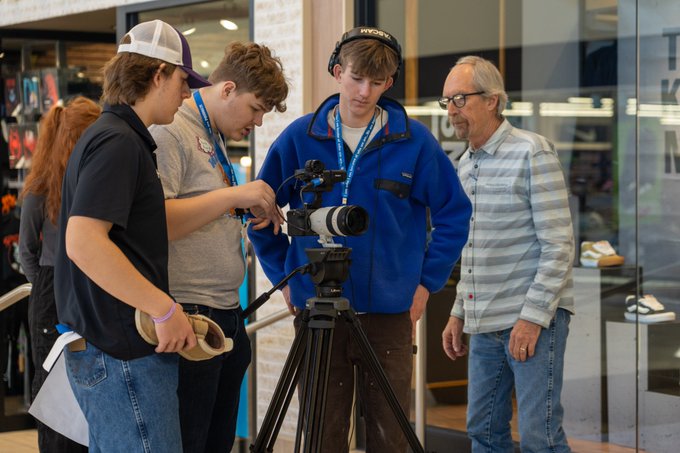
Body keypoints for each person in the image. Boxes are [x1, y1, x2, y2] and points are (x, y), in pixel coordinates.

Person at [248, 27, 472, 452]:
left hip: (389, 314)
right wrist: (285, 277)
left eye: (376, 82)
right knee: (322, 434)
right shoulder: (299, 137)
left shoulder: (415, 141)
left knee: (388, 436)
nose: (364, 92)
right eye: (355, 79)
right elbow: (259, 213)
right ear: (336, 72)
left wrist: (427, 283)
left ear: (389, 83)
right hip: (317, 311)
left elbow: (454, 214)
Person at [54, 19, 210, 452]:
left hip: (108, 348)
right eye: (182, 80)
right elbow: (83, 241)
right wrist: (163, 308)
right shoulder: (118, 142)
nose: (186, 93)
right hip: (122, 354)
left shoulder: (110, 136)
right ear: (157, 74)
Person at [149, 41, 288, 452]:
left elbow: (199, 210)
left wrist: (239, 212)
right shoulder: (171, 130)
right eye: (256, 108)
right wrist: (233, 198)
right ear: (227, 89)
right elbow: (160, 220)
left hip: (224, 310)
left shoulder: (213, 133)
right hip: (190, 313)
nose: (259, 122)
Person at [440, 55, 574, 453]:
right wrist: (459, 309)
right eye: (446, 101)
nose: (451, 110)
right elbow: (474, 246)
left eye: (460, 99)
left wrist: (532, 319)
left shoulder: (532, 152)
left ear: (492, 100)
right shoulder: (465, 165)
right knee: (482, 431)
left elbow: (558, 243)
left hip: (532, 320)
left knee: (541, 439)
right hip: (483, 322)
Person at [19, 96, 100, 453]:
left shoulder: (95, 180)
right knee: (52, 390)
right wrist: (45, 286)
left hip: (90, 286)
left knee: (91, 382)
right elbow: (26, 250)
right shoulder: (41, 187)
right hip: (52, 291)